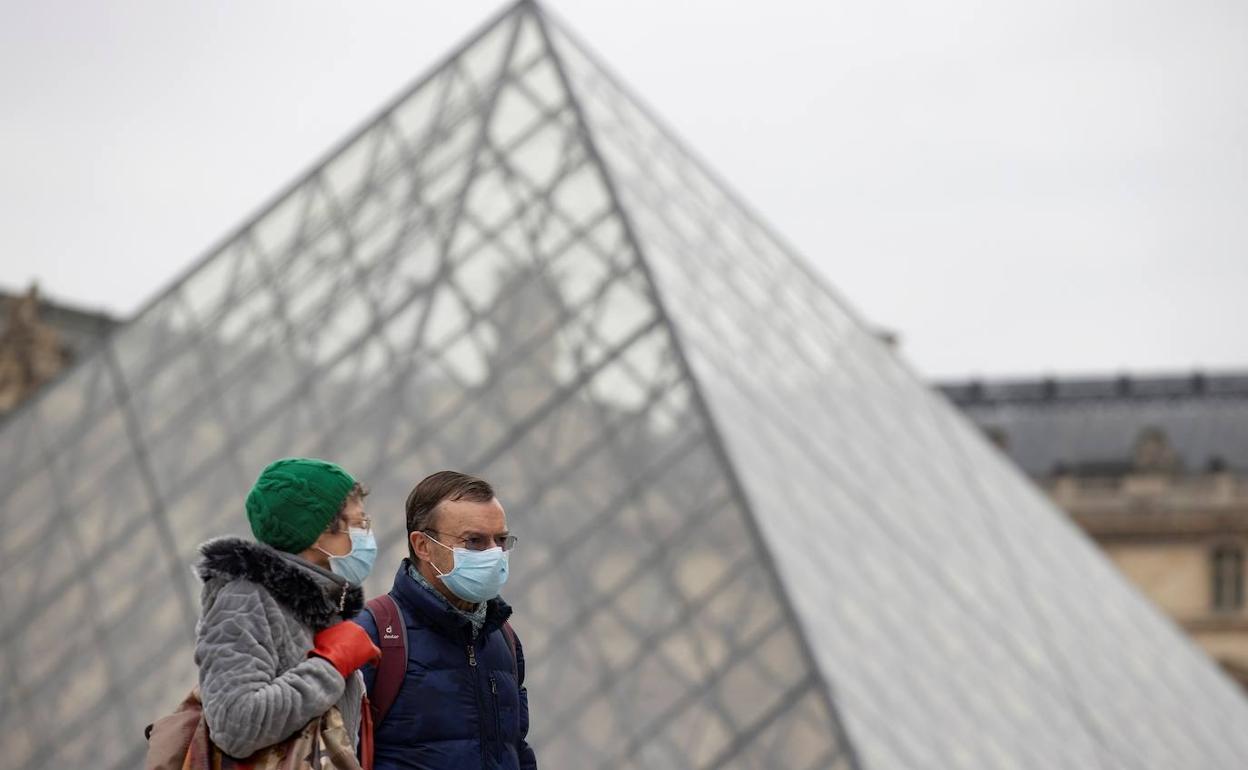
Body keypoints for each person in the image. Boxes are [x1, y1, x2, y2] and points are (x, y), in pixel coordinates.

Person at [194, 457, 381, 759]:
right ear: (319, 530)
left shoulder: (320, 605)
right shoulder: (245, 600)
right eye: (360, 523)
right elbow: (235, 724)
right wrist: (331, 664)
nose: (367, 535)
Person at [354, 470, 537, 770]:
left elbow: (516, 748)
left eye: (501, 540)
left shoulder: (502, 637)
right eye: (474, 541)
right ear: (422, 545)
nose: (494, 553)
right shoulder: (374, 633)